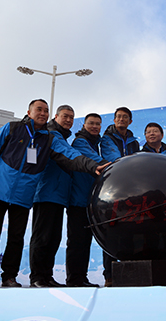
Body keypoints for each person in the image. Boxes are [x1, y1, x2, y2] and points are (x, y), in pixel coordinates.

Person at [0, 99, 109, 287]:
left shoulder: (49, 138)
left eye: (45, 110)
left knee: (17, 238)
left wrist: (93, 166)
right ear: (29, 112)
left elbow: (70, 156)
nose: (42, 113)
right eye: (39, 110)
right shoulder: (12, 128)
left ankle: (11, 277)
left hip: (24, 195)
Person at [29, 105, 93, 288]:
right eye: (65, 116)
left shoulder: (62, 138)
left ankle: (46, 276)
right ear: (56, 117)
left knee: (53, 238)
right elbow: (68, 156)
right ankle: (37, 278)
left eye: (72, 117)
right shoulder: (51, 135)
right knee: (42, 237)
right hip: (46, 193)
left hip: (59, 196)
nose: (68, 120)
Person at [100, 106, 140, 287]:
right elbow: (114, 159)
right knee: (112, 233)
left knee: (129, 232)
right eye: (118, 117)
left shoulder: (134, 142)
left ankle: (129, 273)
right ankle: (109, 276)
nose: (121, 120)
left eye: (125, 117)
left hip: (130, 193)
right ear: (114, 120)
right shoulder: (107, 138)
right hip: (113, 190)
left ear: (130, 121)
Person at [67, 113, 107, 287]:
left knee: (85, 242)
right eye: (91, 123)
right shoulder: (80, 143)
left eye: (98, 124)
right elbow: (97, 162)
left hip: (89, 202)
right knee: (76, 241)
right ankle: (74, 279)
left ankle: (81, 278)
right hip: (78, 200)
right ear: (83, 125)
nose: (95, 126)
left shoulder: (96, 144)